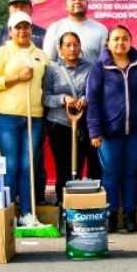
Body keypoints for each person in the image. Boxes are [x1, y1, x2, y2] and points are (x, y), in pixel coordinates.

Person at [0, 11, 47, 227]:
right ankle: (9, 212)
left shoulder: (40, 54)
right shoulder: (2, 52)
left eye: (26, 27)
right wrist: (16, 77)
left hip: (34, 116)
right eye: (18, 27)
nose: (22, 31)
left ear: (31, 29)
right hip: (6, 117)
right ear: (10, 31)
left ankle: (28, 213)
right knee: (11, 165)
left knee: (28, 164)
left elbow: (45, 83)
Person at [87, 25, 137, 233]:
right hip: (109, 132)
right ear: (108, 43)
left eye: (124, 38)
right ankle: (111, 215)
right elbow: (92, 101)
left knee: (131, 173)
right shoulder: (99, 67)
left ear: (131, 41)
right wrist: (94, 131)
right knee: (111, 174)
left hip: (136, 132)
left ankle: (130, 215)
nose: (120, 43)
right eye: (116, 39)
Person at [42, 31, 99, 203]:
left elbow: (93, 92)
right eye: (68, 45)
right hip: (58, 124)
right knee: (63, 166)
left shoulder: (90, 68)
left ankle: (83, 203)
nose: (72, 48)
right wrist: (63, 99)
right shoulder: (52, 69)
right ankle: (63, 204)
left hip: (82, 125)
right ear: (59, 48)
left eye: (75, 44)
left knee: (80, 164)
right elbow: (45, 97)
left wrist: (84, 99)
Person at [42, 0, 108, 64]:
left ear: (87, 3)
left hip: (92, 76)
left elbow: (105, 62)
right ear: (66, 5)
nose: (77, 1)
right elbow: (48, 61)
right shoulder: (54, 28)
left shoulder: (100, 29)